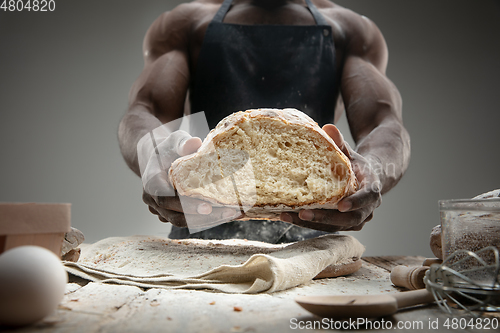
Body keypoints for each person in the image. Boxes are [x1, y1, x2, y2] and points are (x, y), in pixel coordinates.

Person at [118, 0, 411, 242]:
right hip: (202, 229)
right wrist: (151, 153)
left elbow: (383, 124)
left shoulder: (350, 30)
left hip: (315, 233)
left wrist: (372, 169)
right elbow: (146, 110)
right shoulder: (186, 24)